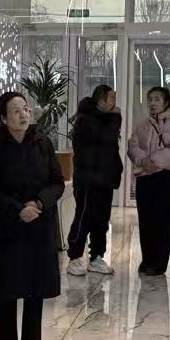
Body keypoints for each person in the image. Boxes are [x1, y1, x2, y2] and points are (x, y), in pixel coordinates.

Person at [0, 91, 63, 340]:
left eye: (26, 109)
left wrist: (38, 203)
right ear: (4, 118)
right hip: (8, 225)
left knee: (34, 287)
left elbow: (57, 182)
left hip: (39, 224)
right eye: (16, 111)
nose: (23, 115)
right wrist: (19, 209)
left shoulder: (42, 143)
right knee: (8, 286)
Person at [65, 83, 123, 277]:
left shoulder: (106, 119)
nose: (115, 103)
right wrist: (115, 118)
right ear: (101, 100)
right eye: (111, 98)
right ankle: (74, 257)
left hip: (104, 179)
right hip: (88, 180)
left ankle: (97, 256)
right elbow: (105, 138)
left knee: (102, 219)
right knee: (84, 217)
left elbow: (110, 149)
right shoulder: (86, 119)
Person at [129, 85, 170, 277]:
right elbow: (133, 145)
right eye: (150, 99)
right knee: (145, 220)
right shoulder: (142, 124)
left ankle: (159, 263)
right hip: (145, 177)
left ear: (166, 102)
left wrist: (151, 162)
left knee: (162, 222)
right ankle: (147, 259)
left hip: (164, 178)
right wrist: (142, 161)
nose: (153, 103)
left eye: (157, 99)